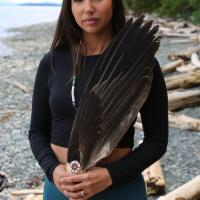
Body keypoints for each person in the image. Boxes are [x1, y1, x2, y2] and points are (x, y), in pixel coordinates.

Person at [28, 0, 169, 199]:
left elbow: (157, 140)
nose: (88, 8)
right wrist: (54, 171)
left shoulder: (138, 62)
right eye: (78, 0)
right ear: (69, 7)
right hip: (62, 190)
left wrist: (109, 176)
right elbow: (36, 132)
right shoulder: (52, 62)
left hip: (120, 189)